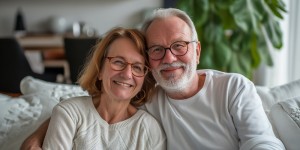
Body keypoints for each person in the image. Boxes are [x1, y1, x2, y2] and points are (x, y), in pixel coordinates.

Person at [22, 8, 285, 150]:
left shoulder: (232, 87)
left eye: (179, 45)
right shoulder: (148, 97)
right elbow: (93, 106)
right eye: (157, 49)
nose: (169, 58)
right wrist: (37, 136)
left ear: (197, 50)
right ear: (150, 61)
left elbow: (260, 141)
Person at [40, 27, 166, 149]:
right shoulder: (69, 114)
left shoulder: (150, 131)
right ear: (100, 69)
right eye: (118, 62)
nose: (127, 74)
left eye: (137, 67)